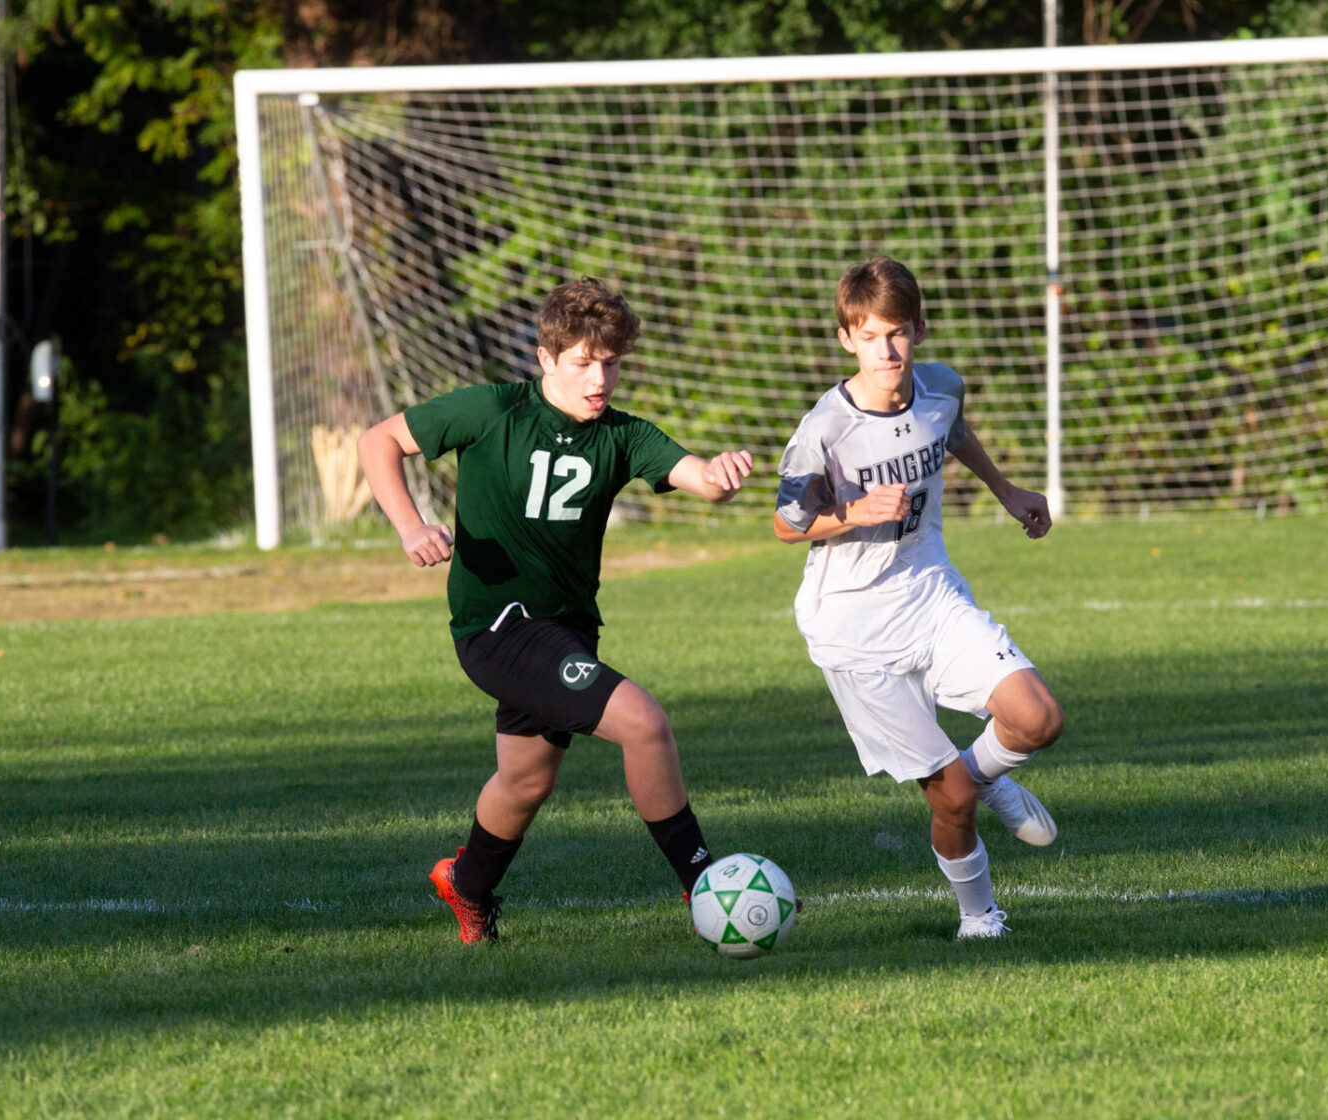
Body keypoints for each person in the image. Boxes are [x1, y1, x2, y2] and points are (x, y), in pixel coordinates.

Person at [359, 277, 753, 945]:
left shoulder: (624, 436)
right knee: (644, 723)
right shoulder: (492, 410)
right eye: (582, 363)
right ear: (546, 358)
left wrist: (720, 471)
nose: (599, 378)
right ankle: (709, 886)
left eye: (610, 363)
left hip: (567, 629)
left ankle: (466, 885)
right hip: (498, 627)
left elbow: (701, 480)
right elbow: (379, 442)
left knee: (525, 780)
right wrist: (409, 526)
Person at [773, 257, 1064, 939]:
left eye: (898, 333)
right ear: (847, 339)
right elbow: (786, 524)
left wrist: (1008, 491)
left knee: (1038, 718)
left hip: (930, 592)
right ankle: (980, 917)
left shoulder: (940, 388)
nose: (886, 350)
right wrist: (854, 511)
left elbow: (952, 432)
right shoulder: (825, 429)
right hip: (853, 627)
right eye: (869, 336)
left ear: (919, 331)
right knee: (951, 799)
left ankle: (986, 773)